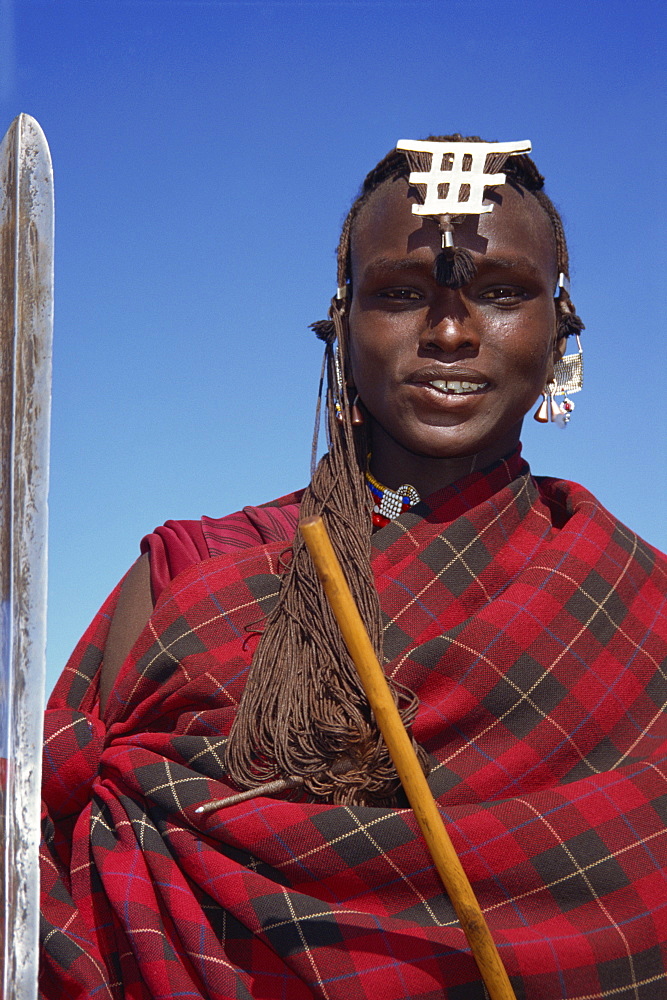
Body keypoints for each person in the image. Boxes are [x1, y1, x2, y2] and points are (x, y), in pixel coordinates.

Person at [40, 136, 667, 1000]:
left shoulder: (631, 601)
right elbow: (59, 855)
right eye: (402, 294)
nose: (449, 332)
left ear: (560, 327)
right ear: (341, 321)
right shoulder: (191, 571)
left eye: (500, 293)